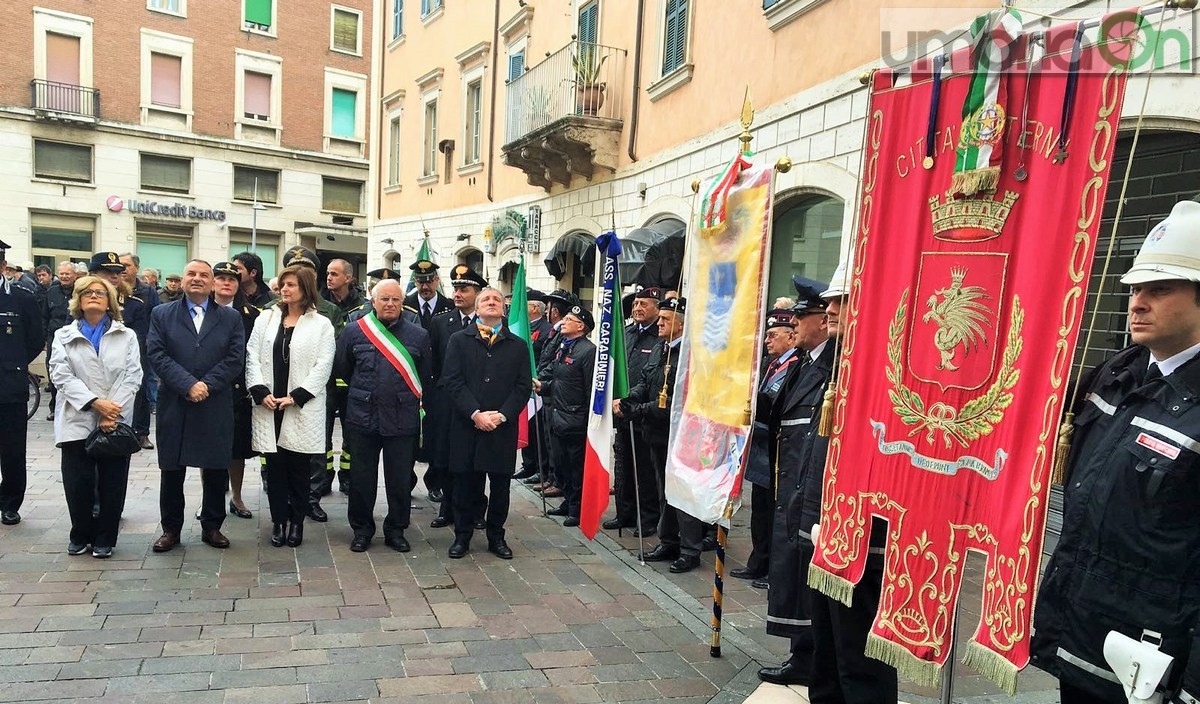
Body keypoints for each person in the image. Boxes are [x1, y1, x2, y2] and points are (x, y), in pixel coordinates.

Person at [1032, 200, 1200, 704]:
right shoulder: (1115, 374)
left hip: (1154, 660)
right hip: (1082, 629)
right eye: (1135, 289)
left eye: (1160, 289)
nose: (1137, 303)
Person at [757, 277, 830, 686]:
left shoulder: (830, 363)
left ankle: (809, 658)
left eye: (802, 317)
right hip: (788, 480)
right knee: (793, 571)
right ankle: (801, 655)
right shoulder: (803, 361)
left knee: (804, 572)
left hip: (806, 484)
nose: (795, 324)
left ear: (821, 321)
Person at [147, 259, 246, 552]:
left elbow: (234, 358)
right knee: (172, 469)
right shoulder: (161, 313)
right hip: (175, 401)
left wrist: (207, 385)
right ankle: (171, 529)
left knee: (216, 467)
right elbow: (157, 353)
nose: (197, 279)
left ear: (213, 281)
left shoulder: (230, 318)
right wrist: (188, 384)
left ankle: (212, 526)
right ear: (183, 279)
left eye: (205, 275)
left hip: (214, 402)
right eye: (192, 273)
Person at [48, 275, 142, 558]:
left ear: (110, 300)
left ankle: (105, 538)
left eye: (100, 292)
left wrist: (112, 410)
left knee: (112, 483)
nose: (94, 296)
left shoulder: (126, 335)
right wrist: (94, 403)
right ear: (77, 298)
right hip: (77, 414)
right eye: (87, 292)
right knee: (78, 482)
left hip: (114, 416)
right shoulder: (63, 335)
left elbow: (132, 375)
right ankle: (80, 533)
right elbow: (60, 374)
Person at [337, 279, 431, 553]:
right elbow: (343, 369)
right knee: (361, 478)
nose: (390, 304)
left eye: (395, 300)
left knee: (400, 479)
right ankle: (362, 529)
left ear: (402, 303)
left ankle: (396, 529)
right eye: (385, 299)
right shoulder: (354, 332)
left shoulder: (418, 336)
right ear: (373, 301)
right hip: (362, 415)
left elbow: (425, 376)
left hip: (402, 418)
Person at [246, 264, 335, 549]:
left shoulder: (321, 323)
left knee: (299, 469)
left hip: (299, 406)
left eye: (291, 285)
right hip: (270, 405)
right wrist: (260, 391)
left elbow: (324, 365)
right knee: (275, 469)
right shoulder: (266, 319)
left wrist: (297, 395)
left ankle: (296, 522)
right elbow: (252, 355)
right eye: (283, 284)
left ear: (305, 289)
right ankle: (278, 521)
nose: (284, 289)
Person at [442, 286, 534, 559]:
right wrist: (475, 413)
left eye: (496, 299)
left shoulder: (518, 345)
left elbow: (522, 386)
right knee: (465, 485)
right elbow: (453, 380)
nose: (492, 302)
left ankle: (496, 536)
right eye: (485, 300)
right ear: (477, 308)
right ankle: (462, 536)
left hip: (501, 429)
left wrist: (503, 414)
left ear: (503, 309)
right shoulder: (459, 340)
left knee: (500, 487)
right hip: (467, 426)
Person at [618, 297, 700, 572]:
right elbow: (645, 379)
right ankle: (668, 541)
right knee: (664, 489)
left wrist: (638, 409)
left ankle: (690, 549)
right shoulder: (659, 348)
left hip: (679, 434)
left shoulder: (689, 355)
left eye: (665, 320)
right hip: (656, 433)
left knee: (682, 493)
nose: (660, 324)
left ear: (680, 324)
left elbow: (676, 401)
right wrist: (631, 399)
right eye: (661, 319)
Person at [732, 308, 801, 586]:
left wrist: (750, 396)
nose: (768, 340)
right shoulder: (770, 363)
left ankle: (775, 569)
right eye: (767, 335)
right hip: (762, 449)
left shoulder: (795, 365)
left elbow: (775, 403)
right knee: (760, 510)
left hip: (780, 450)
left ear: (790, 337)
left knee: (776, 513)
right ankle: (758, 561)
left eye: (773, 335)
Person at [428, 264, 489, 528]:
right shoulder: (441, 322)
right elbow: (433, 364)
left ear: (477, 292)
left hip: (479, 402)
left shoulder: (491, 323)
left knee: (476, 458)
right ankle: (448, 507)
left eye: (464, 289)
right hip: (447, 401)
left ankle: (476, 509)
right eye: (455, 288)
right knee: (446, 455)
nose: (457, 293)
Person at [605, 286, 663, 535]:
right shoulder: (626, 333)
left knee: (645, 469)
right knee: (623, 465)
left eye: (644, 304)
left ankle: (648, 519)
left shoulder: (660, 337)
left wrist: (634, 403)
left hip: (644, 412)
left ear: (657, 308)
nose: (638, 308)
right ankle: (625, 512)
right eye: (636, 304)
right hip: (623, 409)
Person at [535, 304, 597, 528]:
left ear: (580, 326)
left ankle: (577, 507)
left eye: (569, 319)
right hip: (558, 415)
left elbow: (590, 388)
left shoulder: (588, 351)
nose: (563, 322)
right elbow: (561, 381)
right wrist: (542, 386)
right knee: (561, 464)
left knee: (576, 466)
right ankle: (567, 501)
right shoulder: (565, 346)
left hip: (575, 418)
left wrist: (591, 419)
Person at [0, 240, 44, 526]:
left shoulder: (21, 296)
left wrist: (14, 363)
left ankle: (10, 502)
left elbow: (36, 339)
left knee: (12, 449)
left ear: (3, 265)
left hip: (9, 386)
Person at [212, 262, 260, 519]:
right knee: (210, 448)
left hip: (239, 390)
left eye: (232, 278)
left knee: (236, 448)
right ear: (213, 282)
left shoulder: (251, 313)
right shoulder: (201, 311)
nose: (226, 282)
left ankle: (237, 497)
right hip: (208, 389)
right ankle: (211, 499)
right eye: (220, 278)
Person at [90, 252, 152, 449]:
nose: (114, 276)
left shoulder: (133, 305)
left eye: (117, 272)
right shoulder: (81, 303)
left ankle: (141, 432)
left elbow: (140, 339)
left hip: (124, 366)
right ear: (93, 274)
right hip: (91, 370)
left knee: (139, 393)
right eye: (108, 272)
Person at [530, 288, 582, 496]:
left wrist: (545, 380)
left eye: (550, 307)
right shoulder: (555, 331)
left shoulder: (566, 336)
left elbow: (555, 360)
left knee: (557, 444)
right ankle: (553, 477)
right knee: (549, 439)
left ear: (555, 311)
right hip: (548, 389)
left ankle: (558, 481)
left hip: (558, 395)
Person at [514, 290, 554, 483]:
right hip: (523, 384)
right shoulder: (525, 327)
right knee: (526, 426)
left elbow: (545, 356)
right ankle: (528, 464)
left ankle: (541, 467)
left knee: (537, 428)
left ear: (534, 307)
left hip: (538, 385)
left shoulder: (546, 329)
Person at [120, 253, 159, 450]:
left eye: (127, 265)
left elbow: (155, 317)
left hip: (141, 346)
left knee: (141, 389)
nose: (123, 269)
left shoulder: (147, 291)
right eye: (120, 266)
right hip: (117, 347)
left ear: (136, 267)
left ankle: (142, 433)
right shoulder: (113, 289)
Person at [44, 261, 79, 421]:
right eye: (62, 274)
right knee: (54, 373)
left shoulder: (80, 291)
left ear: (75, 275)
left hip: (74, 338)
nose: (64, 277)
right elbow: (44, 316)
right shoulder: (51, 291)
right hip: (54, 336)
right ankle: (54, 407)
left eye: (68, 274)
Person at [404, 259, 454, 327]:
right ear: (415, 281)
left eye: (429, 282)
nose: (425, 287)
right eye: (421, 282)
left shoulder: (449, 307)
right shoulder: (405, 305)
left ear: (437, 280)